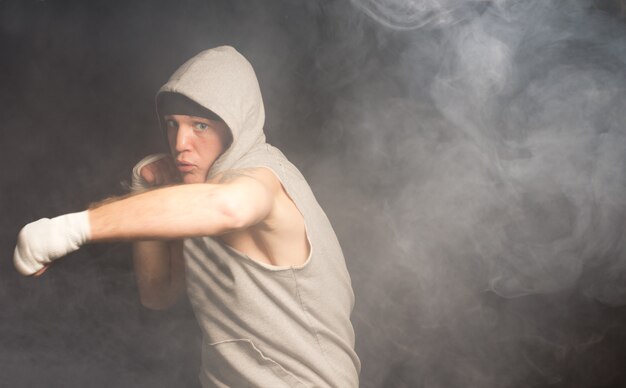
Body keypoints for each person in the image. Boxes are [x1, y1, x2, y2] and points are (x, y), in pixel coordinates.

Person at [13, 46, 361, 387]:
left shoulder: (263, 178)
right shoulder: (195, 201)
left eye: (200, 126)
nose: (180, 142)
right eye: (172, 124)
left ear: (234, 127)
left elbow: (231, 206)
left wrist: (67, 230)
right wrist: (147, 192)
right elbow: (158, 294)